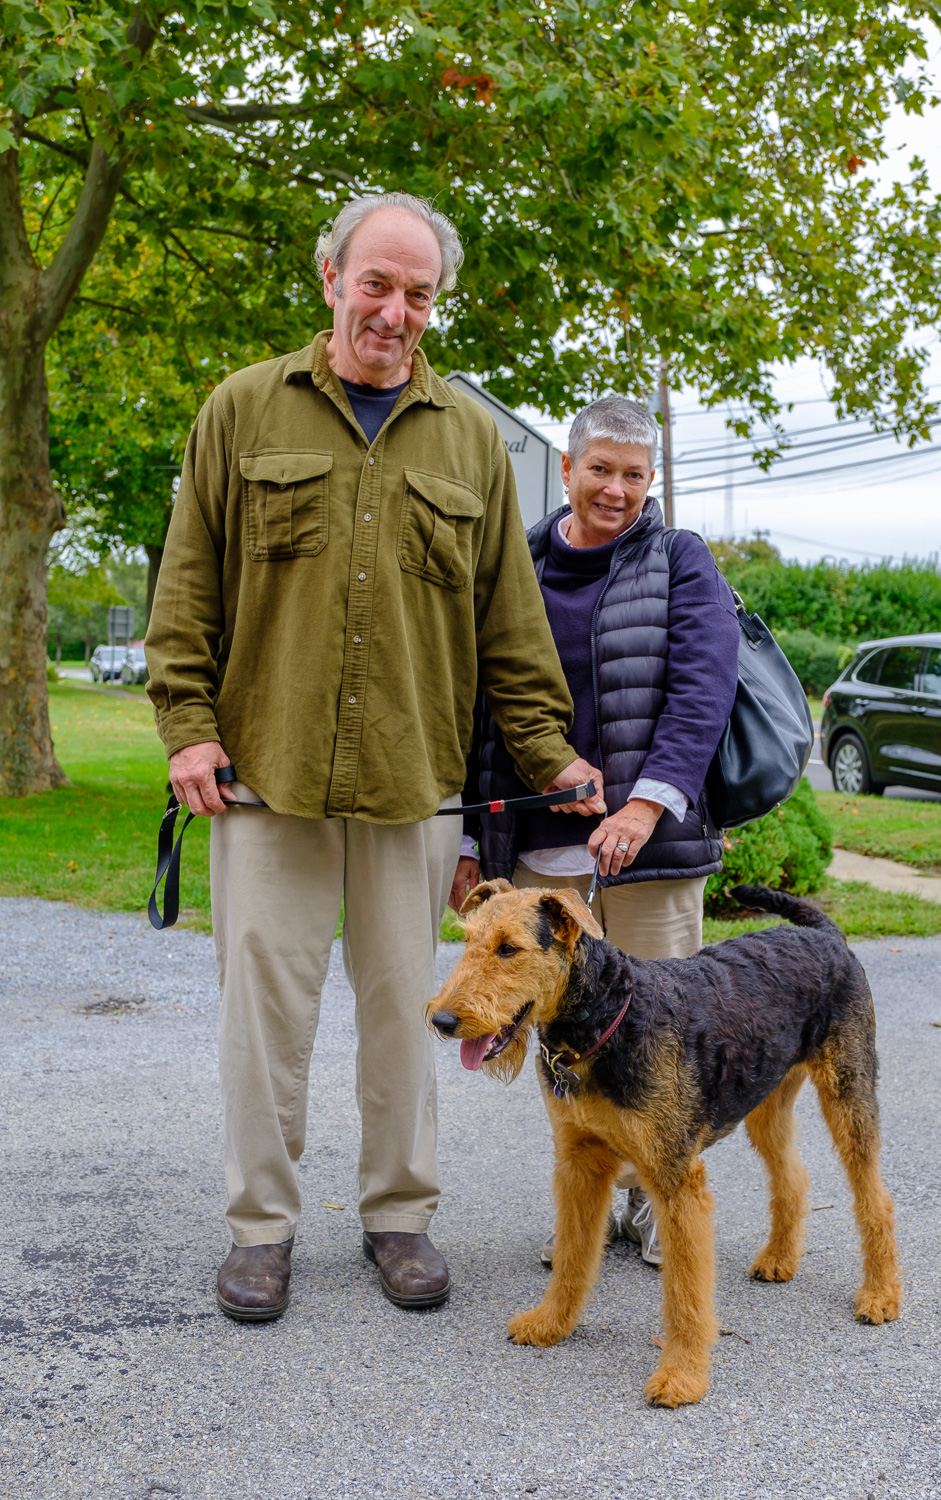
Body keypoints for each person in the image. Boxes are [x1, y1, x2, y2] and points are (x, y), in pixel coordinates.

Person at [144, 191, 603, 1320]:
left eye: (418, 293)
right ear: (331, 279)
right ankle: (261, 1229)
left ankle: (399, 1217)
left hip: (414, 784)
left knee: (421, 1006)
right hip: (267, 774)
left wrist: (546, 750)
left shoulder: (472, 445)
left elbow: (509, 619)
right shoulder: (241, 410)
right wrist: (185, 724)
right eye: (377, 284)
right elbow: (187, 584)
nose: (395, 312)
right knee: (265, 1015)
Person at [471, 395, 740, 1266]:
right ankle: (592, 1207)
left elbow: (703, 691)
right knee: (568, 1043)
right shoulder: (519, 563)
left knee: (663, 1037)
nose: (616, 489)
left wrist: (643, 804)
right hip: (544, 846)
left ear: (651, 479)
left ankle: (665, 1200)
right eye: (601, 470)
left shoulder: (680, 560)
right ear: (567, 470)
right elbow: (487, 710)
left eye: (634, 474)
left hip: (648, 845)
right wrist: (479, 849)